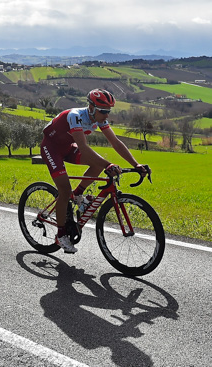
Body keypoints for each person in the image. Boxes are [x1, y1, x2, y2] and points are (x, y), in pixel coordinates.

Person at [40, 88, 148, 254]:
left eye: (109, 111)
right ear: (91, 107)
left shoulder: (99, 119)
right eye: (103, 111)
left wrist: (136, 164)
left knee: (96, 164)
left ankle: (77, 196)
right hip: (51, 147)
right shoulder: (75, 116)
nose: (106, 115)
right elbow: (83, 147)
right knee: (64, 189)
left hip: (67, 147)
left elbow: (116, 142)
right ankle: (60, 235)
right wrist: (108, 165)